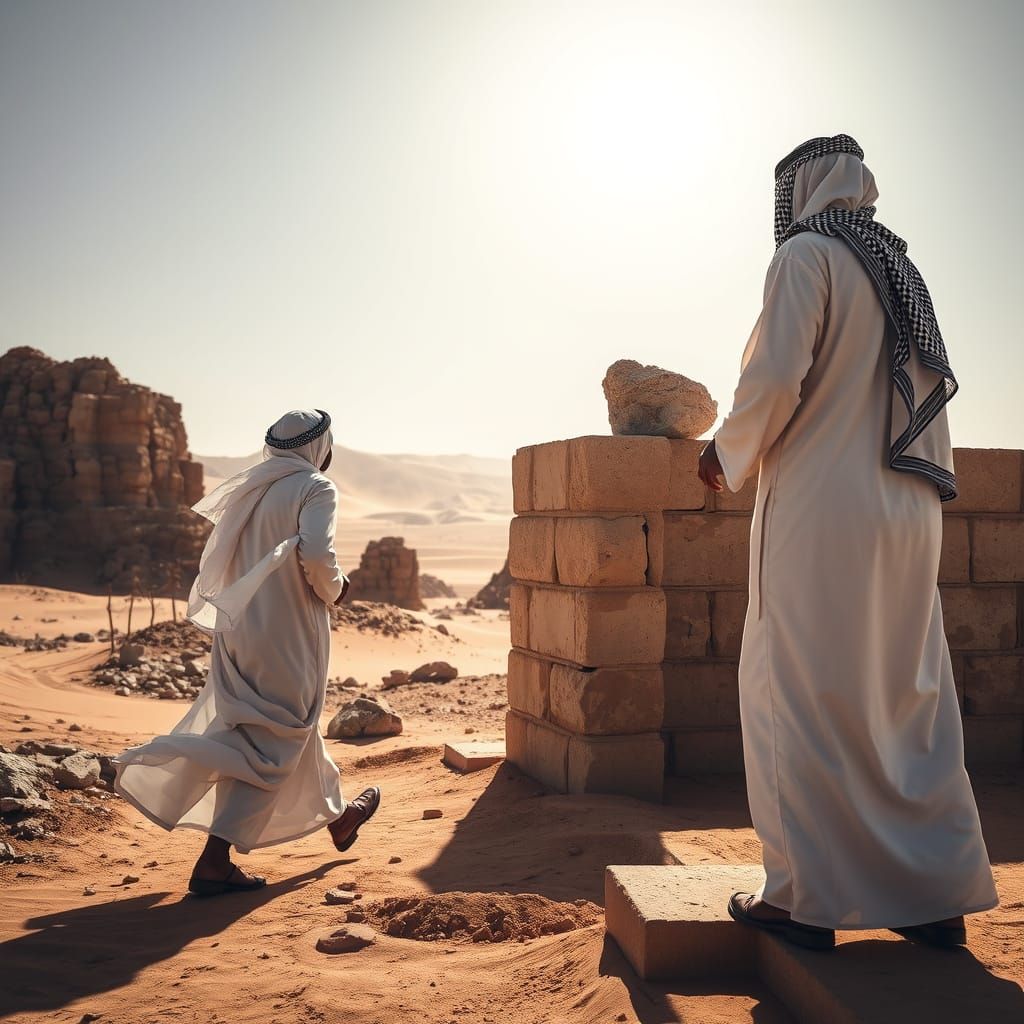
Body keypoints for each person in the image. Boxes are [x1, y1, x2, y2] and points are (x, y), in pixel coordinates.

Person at [698, 135, 998, 951]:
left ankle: (801, 896)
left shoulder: (807, 254)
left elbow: (773, 378)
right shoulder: (900, 267)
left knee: (796, 687)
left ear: (800, 190)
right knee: (902, 696)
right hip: (908, 512)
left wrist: (723, 455)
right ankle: (932, 895)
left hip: (825, 509)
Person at [115, 409, 381, 896]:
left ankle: (340, 819)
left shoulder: (249, 488)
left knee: (275, 725)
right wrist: (338, 590)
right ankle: (214, 861)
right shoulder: (315, 487)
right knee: (278, 735)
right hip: (288, 632)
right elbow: (318, 557)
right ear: (318, 446)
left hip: (238, 633)